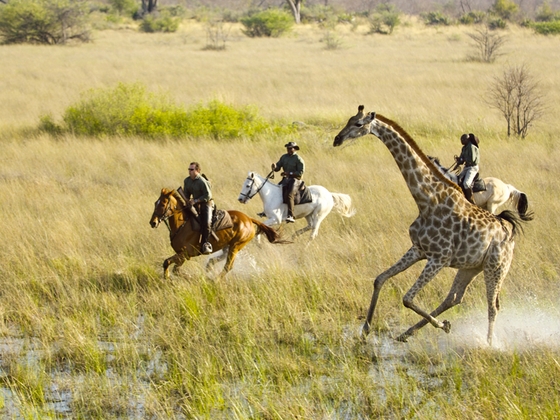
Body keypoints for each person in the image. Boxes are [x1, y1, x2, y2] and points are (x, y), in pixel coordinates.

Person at [183, 162, 214, 254]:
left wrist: (195, 201)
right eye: (189, 169)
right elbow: (186, 194)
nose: (189, 171)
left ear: (198, 170)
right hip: (194, 203)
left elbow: (208, 195)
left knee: (207, 222)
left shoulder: (202, 181)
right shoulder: (187, 181)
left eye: (192, 169)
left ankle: (206, 244)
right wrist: (187, 200)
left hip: (206, 203)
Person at [271, 141, 305, 223]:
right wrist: (275, 167)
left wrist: (288, 173)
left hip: (295, 180)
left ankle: (290, 215)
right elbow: (278, 166)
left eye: (290, 148)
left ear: (295, 149)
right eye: (288, 148)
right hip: (286, 179)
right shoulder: (284, 157)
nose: (289, 150)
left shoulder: (298, 159)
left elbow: (300, 172)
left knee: (290, 195)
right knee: (275, 191)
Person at [455, 133, 480, 204]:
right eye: (461, 139)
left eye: (463, 139)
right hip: (466, 167)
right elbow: (462, 158)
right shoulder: (464, 148)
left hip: (472, 167)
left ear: (467, 139)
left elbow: (472, 159)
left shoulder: (471, 147)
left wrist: (463, 159)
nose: (461, 141)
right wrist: (459, 161)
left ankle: (470, 199)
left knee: (466, 183)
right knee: (457, 180)